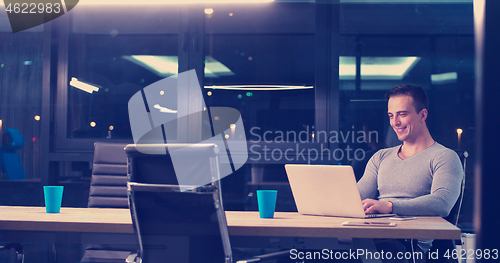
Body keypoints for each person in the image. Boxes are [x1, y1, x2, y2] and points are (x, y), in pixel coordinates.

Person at [357, 84, 463, 262]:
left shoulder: (445, 157)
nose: (395, 122)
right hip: (373, 232)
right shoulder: (381, 157)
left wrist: (390, 206)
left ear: (423, 115)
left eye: (402, 114)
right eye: (391, 115)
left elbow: (442, 203)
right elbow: (357, 196)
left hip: (409, 244)